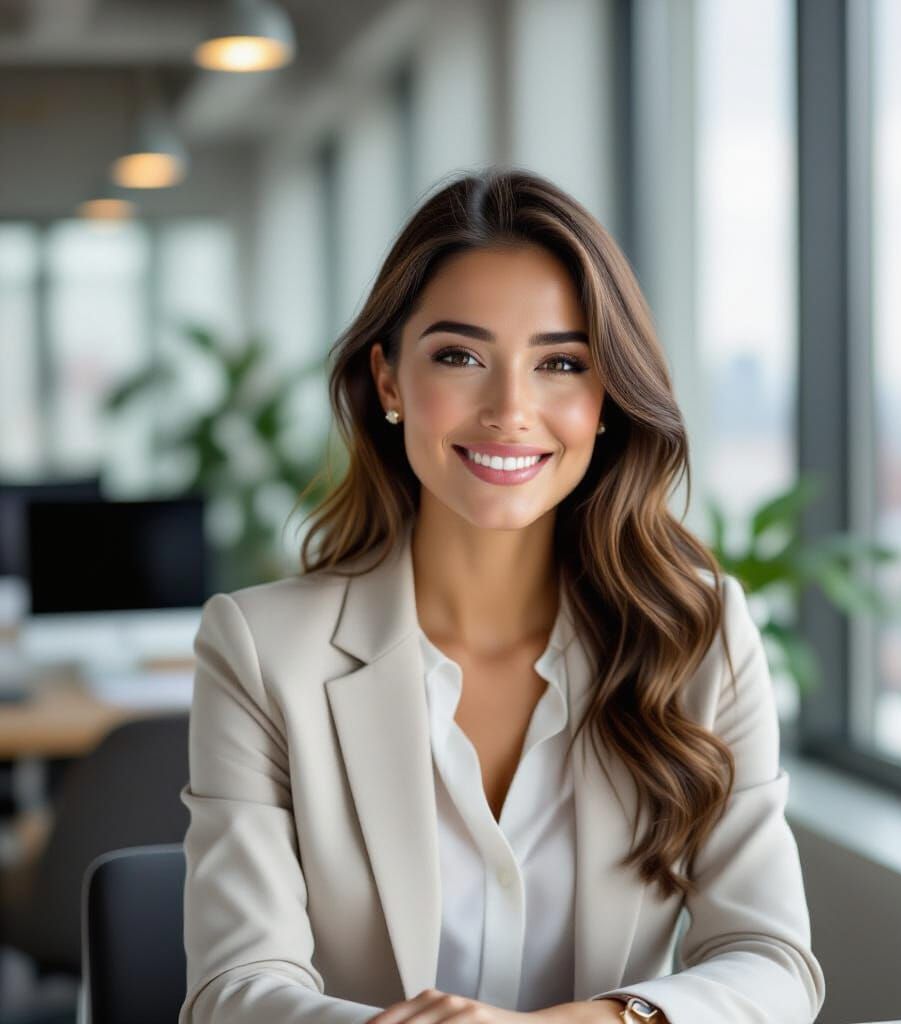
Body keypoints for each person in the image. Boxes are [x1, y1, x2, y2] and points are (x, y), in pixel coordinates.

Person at [178, 167, 827, 1024]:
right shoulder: (262, 651)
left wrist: (594, 1023)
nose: (510, 409)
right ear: (388, 382)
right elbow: (233, 991)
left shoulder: (699, 634)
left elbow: (773, 962)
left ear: (606, 399)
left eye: (561, 363)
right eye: (460, 356)